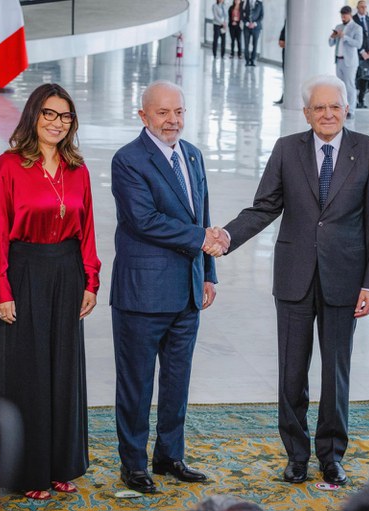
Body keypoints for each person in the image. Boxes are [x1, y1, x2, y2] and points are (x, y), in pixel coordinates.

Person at [220, 75, 369, 486]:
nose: (327, 114)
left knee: (336, 372)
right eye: (319, 107)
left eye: (335, 106)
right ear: (306, 112)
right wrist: (227, 236)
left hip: (345, 278)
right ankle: (296, 455)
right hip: (294, 277)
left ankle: (332, 455)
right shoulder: (286, 149)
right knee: (291, 371)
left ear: (347, 108)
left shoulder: (368, 150)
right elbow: (264, 207)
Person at [0, 83, 101, 500]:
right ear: (33, 115)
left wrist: (91, 279)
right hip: (25, 271)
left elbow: (87, 231)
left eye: (65, 116)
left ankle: (61, 466)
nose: (57, 123)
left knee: (64, 371)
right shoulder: (8, 166)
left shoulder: (78, 168)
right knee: (28, 374)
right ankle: (28, 470)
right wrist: (0, 287)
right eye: (49, 114)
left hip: (67, 271)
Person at [110, 81, 218, 494]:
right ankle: (134, 464)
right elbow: (143, 220)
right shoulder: (128, 160)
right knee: (136, 384)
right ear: (143, 116)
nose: (173, 120)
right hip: (143, 294)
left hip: (188, 291)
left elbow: (202, 215)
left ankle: (169, 455)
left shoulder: (192, 154)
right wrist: (201, 240)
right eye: (163, 113)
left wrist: (208, 272)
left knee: (177, 380)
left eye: (179, 112)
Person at [329, 6, 363, 119]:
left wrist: (345, 36)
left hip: (350, 62)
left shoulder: (357, 28)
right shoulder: (338, 26)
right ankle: (341, 109)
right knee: (340, 87)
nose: (343, 17)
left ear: (350, 14)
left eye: (345, 15)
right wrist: (333, 37)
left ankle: (351, 110)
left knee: (349, 86)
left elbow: (358, 44)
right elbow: (330, 43)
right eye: (341, 15)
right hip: (339, 60)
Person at [353, 0, 369, 109]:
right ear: (357, 7)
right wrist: (362, 51)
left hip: (368, 54)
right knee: (356, 77)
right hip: (357, 54)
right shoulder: (353, 20)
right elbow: (353, 38)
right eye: (362, 7)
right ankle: (354, 100)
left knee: (365, 77)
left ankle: (361, 99)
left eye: (365, 7)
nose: (364, 9)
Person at [241, 0, 263, 66]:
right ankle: (247, 61)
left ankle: (253, 60)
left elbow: (261, 16)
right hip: (247, 27)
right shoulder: (244, 2)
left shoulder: (259, 3)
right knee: (246, 44)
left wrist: (254, 23)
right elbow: (241, 15)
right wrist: (247, 23)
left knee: (255, 44)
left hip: (256, 28)